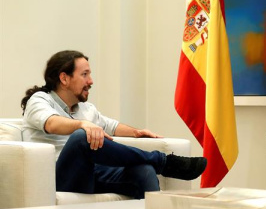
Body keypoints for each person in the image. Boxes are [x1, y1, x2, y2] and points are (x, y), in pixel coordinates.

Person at [21, 50, 207, 199]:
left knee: (143, 171)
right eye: (84, 75)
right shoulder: (39, 100)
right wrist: (83, 125)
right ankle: (163, 161)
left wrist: (136, 132)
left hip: (92, 173)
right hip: (60, 177)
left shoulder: (86, 109)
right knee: (81, 137)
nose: (91, 81)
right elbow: (52, 124)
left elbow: (111, 126)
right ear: (64, 78)